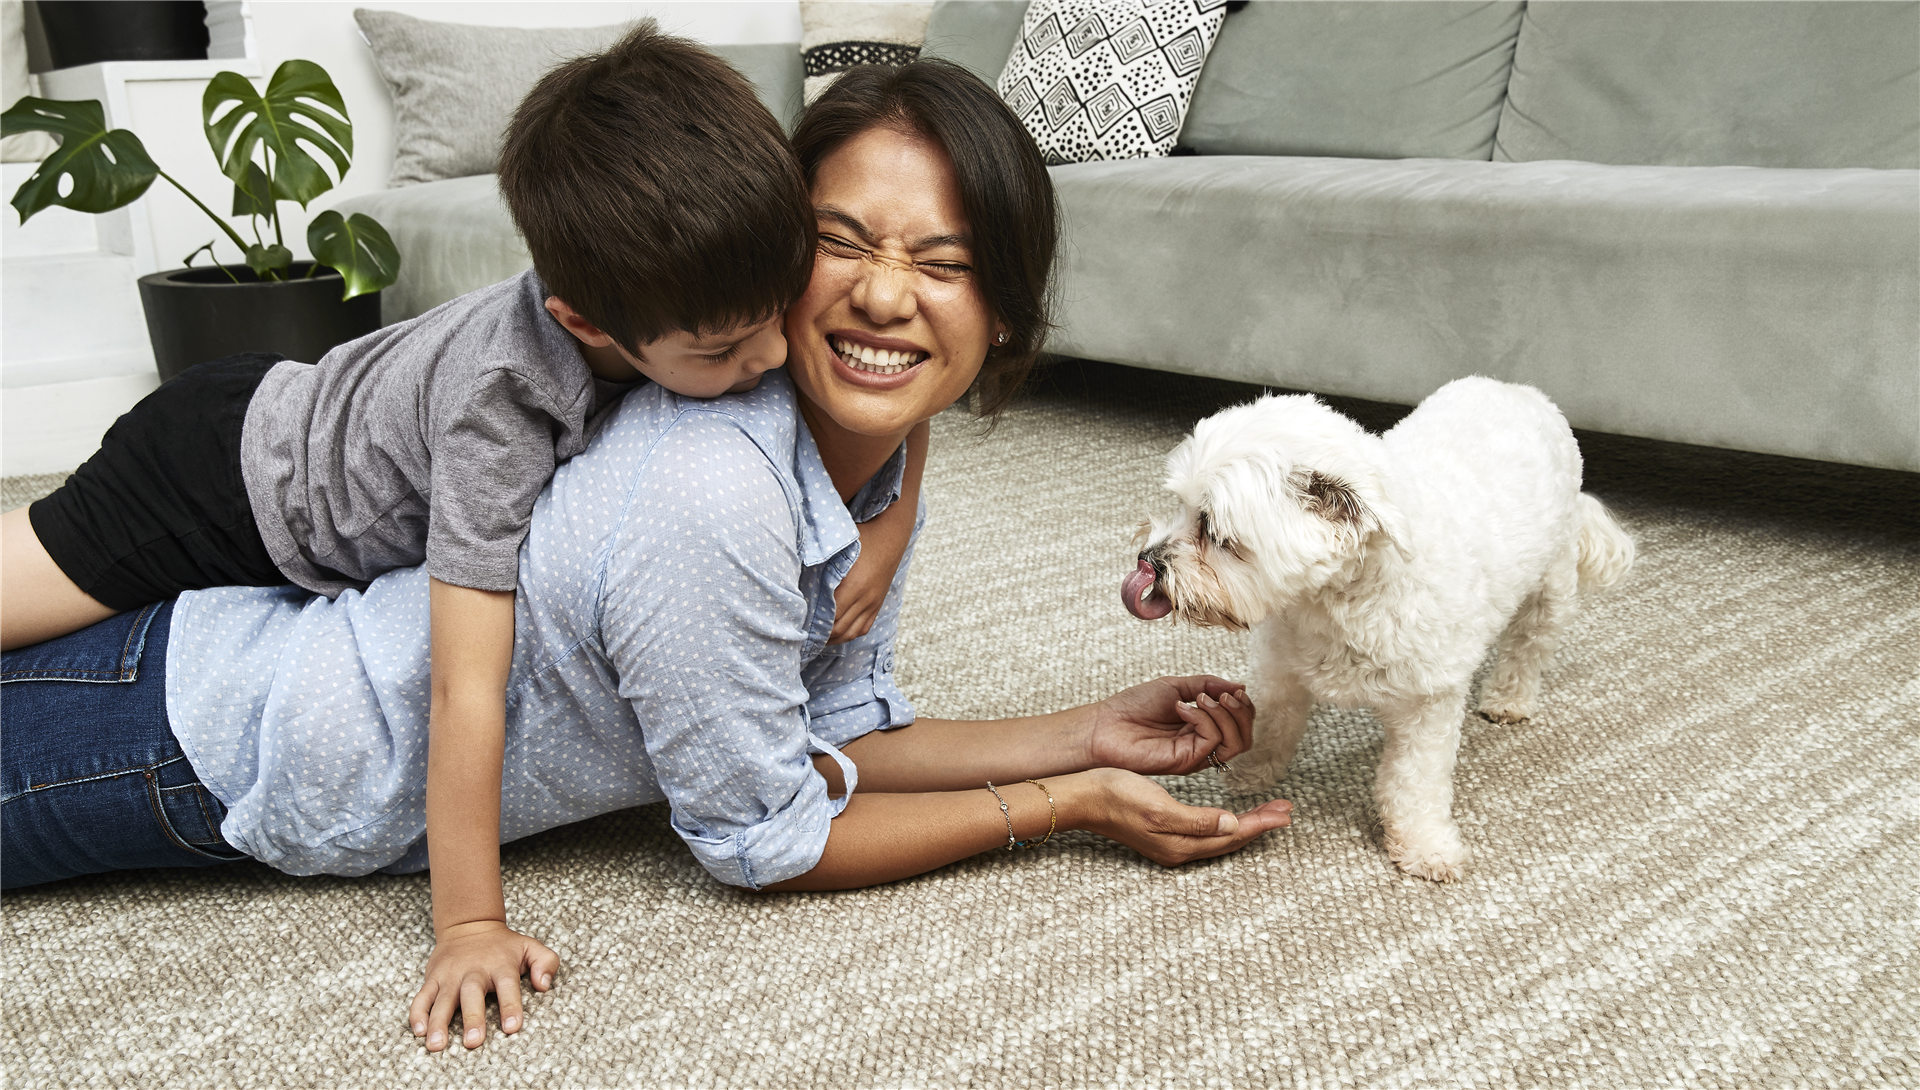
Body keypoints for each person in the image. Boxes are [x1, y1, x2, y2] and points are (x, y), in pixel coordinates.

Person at [0, 60, 1294, 1054]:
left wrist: (1081, 734)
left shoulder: (859, 448)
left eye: (942, 264)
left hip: (250, 618)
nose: (886, 295)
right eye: (843, 241)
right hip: (212, 726)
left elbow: (824, 730)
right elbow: (764, 835)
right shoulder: (702, 480)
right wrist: (1061, 805)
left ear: (1003, 310)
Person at [0, 21, 930, 1041]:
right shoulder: (504, 411)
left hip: (293, 405)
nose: (773, 358)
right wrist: (470, 923)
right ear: (583, 323)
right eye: (722, 350)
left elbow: (909, 391)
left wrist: (885, 532)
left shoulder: (705, 291)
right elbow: (463, 686)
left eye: (777, 313)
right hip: (218, 485)